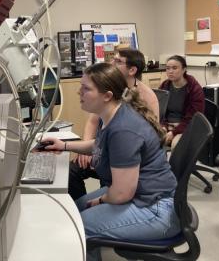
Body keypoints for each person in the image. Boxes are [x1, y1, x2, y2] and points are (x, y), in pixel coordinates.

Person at [41, 63, 179, 261]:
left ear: (107, 95)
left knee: (76, 226)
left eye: (86, 89)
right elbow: (99, 144)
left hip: (157, 210)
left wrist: (99, 202)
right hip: (144, 195)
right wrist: (64, 146)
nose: (79, 92)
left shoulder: (123, 129)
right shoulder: (113, 114)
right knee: (76, 207)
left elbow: (122, 193)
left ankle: (88, 245)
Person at [69, 46, 159, 201]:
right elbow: (93, 121)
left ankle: (97, 208)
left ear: (132, 70)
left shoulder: (146, 97)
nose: (111, 63)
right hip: (105, 147)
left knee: (109, 176)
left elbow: (143, 140)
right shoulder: (111, 90)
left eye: (118, 61)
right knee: (71, 172)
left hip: (125, 157)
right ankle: (83, 205)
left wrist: (99, 202)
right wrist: (84, 148)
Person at [160, 55, 204, 148]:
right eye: (168, 68)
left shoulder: (194, 89)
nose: (170, 71)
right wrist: (163, 126)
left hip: (186, 128)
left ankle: (174, 163)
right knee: (146, 138)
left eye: (174, 68)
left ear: (184, 69)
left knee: (176, 145)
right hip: (167, 126)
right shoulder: (165, 85)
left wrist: (174, 132)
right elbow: (160, 110)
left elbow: (193, 118)